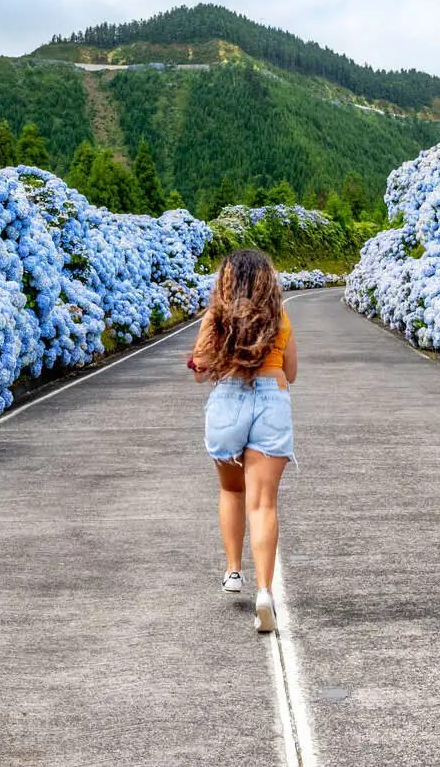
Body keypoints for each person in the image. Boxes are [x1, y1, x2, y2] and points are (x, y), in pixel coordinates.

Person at [189, 249, 298, 633]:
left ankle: (234, 571)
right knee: (263, 503)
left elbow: (200, 370)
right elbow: (292, 372)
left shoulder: (217, 318)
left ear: (227, 281)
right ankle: (264, 592)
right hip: (272, 400)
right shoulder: (280, 320)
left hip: (228, 401)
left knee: (232, 492)